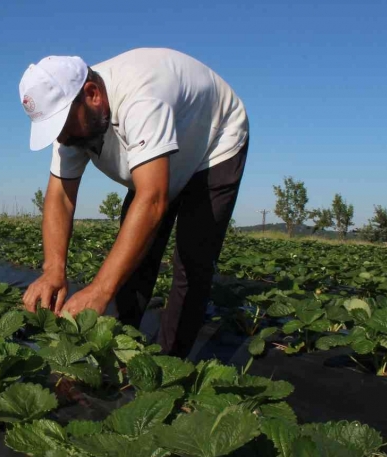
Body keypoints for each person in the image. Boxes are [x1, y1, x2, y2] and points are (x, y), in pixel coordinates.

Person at [17, 48, 249, 357]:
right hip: (159, 154)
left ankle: (170, 367)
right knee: (136, 256)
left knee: (193, 261)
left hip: (214, 141)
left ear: (92, 94)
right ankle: (119, 348)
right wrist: (53, 269)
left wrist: (100, 289)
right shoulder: (72, 119)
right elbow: (60, 195)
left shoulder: (141, 97)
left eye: (64, 127)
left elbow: (152, 198)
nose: (61, 140)